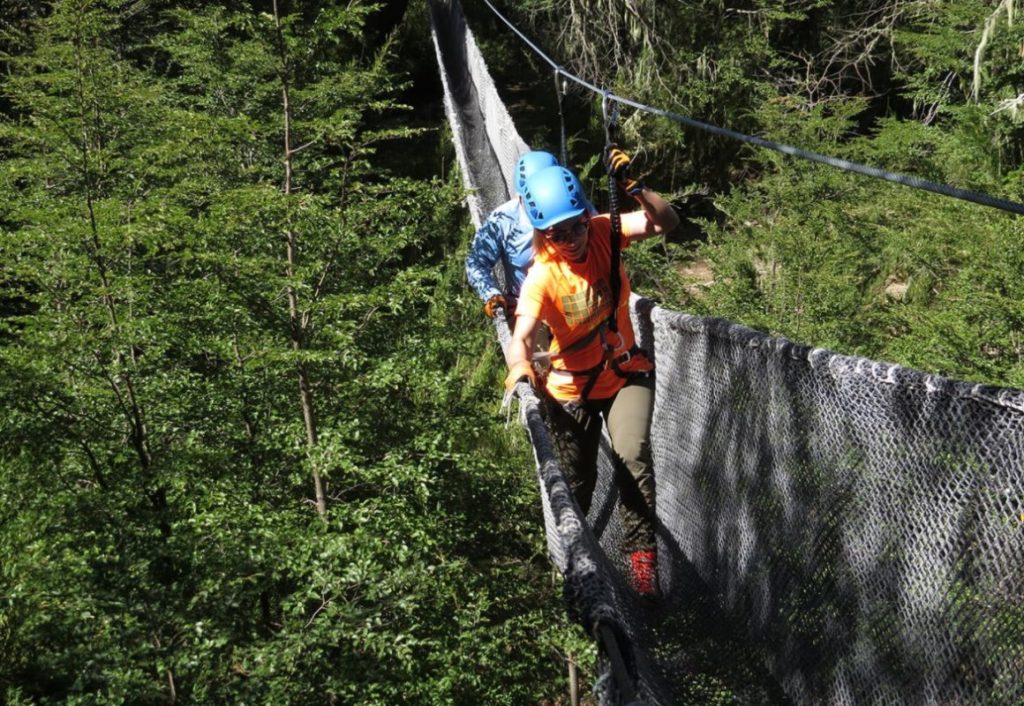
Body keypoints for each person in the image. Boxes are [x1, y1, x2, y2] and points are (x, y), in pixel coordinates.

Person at [503, 151, 679, 596]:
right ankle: (575, 562)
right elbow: (521, 336)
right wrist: (520, 370)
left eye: (577, 224)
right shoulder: (542, 277)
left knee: (632, 457)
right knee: (579, 483)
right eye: (559, 234)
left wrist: (635, 188)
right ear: (545, 235)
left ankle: (642, 566)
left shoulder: (605, 230)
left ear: (586, 215)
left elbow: (664, 222)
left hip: (622, 373)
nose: (574, 238)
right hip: (568, 391)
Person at [465, 150, 559, 318]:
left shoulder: (574, 209)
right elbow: (476, 262)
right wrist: (492, 294)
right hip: (529, 311)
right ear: (522, 195)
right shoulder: (504, 219)